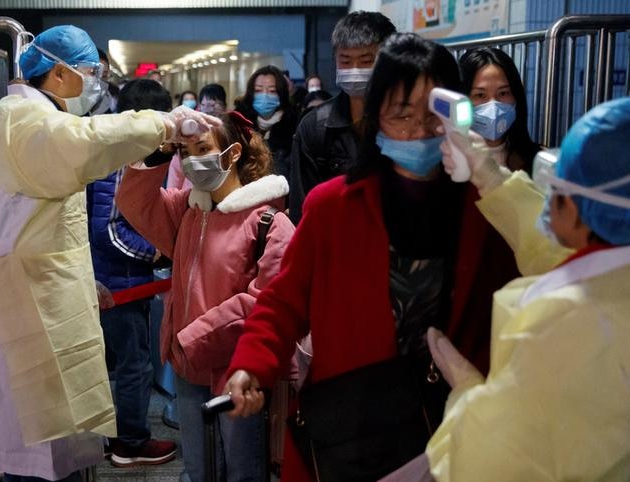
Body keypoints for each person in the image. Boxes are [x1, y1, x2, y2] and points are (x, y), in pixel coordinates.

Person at [223, 33, 527, 482]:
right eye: (401, 114)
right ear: (377, 118)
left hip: (457, 425)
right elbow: (284, 301)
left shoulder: (486, 207)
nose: (420, 129)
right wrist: (252, 362)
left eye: (434, 114)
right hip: (355, 427)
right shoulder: (333, 207)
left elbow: (521, 301)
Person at [0, 25, 218, 482]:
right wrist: (164, 123)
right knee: (39, 436)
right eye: (91, 73)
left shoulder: (29, 120)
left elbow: (36, 223)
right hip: (27, 307)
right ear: (59, 73)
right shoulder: (24, 121)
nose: (95, 83)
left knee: (55, 434)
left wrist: (81, 281)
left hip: (41, 290)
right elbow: (85, 144)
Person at [412, 97, 630, 481]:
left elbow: (486, 466)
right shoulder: (613, 273)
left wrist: (468, 395)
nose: (548, 200)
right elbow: (556, 253)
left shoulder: (561, 322)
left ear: (580, 208)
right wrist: (489, 175)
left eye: (556, 187)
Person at [115, 111, 295, 482]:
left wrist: (193, 335)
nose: (193, 160)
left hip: (239, 368)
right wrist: (163, 149)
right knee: (200, 469)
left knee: (243, 469)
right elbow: (133, 202)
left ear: (231, 154)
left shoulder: (269, 223)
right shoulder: (187, 211)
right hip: (188, 365)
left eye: (203, 149)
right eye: (185, 151)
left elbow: (266, 301)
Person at [87, 77, 177, 467]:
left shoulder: (125, 154)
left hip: (122, 279)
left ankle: (119, 435)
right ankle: (130, 443)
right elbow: (107, 229)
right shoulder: (119, 161)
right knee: (133, 366)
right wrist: (154, 253)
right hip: (119, 281)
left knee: (126, 363)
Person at [288, 11, 396, 224]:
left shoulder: (408, 125)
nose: (355, 70)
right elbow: (303, 212)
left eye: (366, 61)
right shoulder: (314, 127)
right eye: (345, 61)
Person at [459, 47, 540, 172]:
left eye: (503, 93)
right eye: (480, 95)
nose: (493, 107)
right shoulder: (448, 163)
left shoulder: (539, 162)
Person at [235, 65, 299, 179]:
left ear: (281, 94)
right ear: (251, 93)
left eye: (272, 91)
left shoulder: (295, 125)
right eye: (258, 90)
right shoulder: (238, 124)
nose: (264, 95)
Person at [167, 84, 229, 190]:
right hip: (188, 197)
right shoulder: (187, 136)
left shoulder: (230, 135)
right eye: (205, 105)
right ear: (199, 106)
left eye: (214, 105)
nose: (209, 110)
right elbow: (175, 178)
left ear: (224, 106)